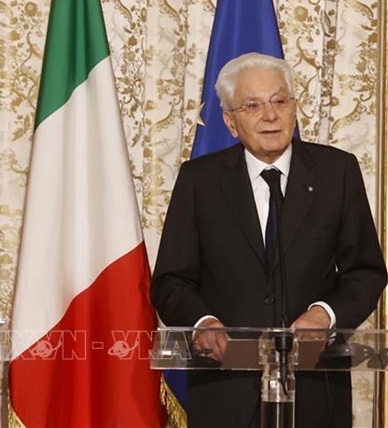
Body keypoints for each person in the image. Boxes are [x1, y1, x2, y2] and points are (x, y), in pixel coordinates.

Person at [151, 52, 387, 428]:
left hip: (315, 391)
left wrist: (324, 314)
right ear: (230, 122)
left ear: (295, 107)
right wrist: (203, 322)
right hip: (224, 394)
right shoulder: (200, 180)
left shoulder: (337, 171)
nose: (270, 115)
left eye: (280, 101)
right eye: (252, 105)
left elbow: (365, 271)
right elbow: (171, 281)